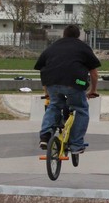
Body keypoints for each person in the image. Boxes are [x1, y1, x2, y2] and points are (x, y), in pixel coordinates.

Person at [35, 24, 100, 154]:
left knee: (54, 105)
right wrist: (92, 90)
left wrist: (46, 92)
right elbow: (94, 73)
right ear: (78, 36)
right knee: (81, 109)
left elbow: (42, 70)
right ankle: (76, 144)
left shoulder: (52, 47)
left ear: (63, 34)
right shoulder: (83, 47)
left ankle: (45, 136)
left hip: (51, 81)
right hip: (75, 82)